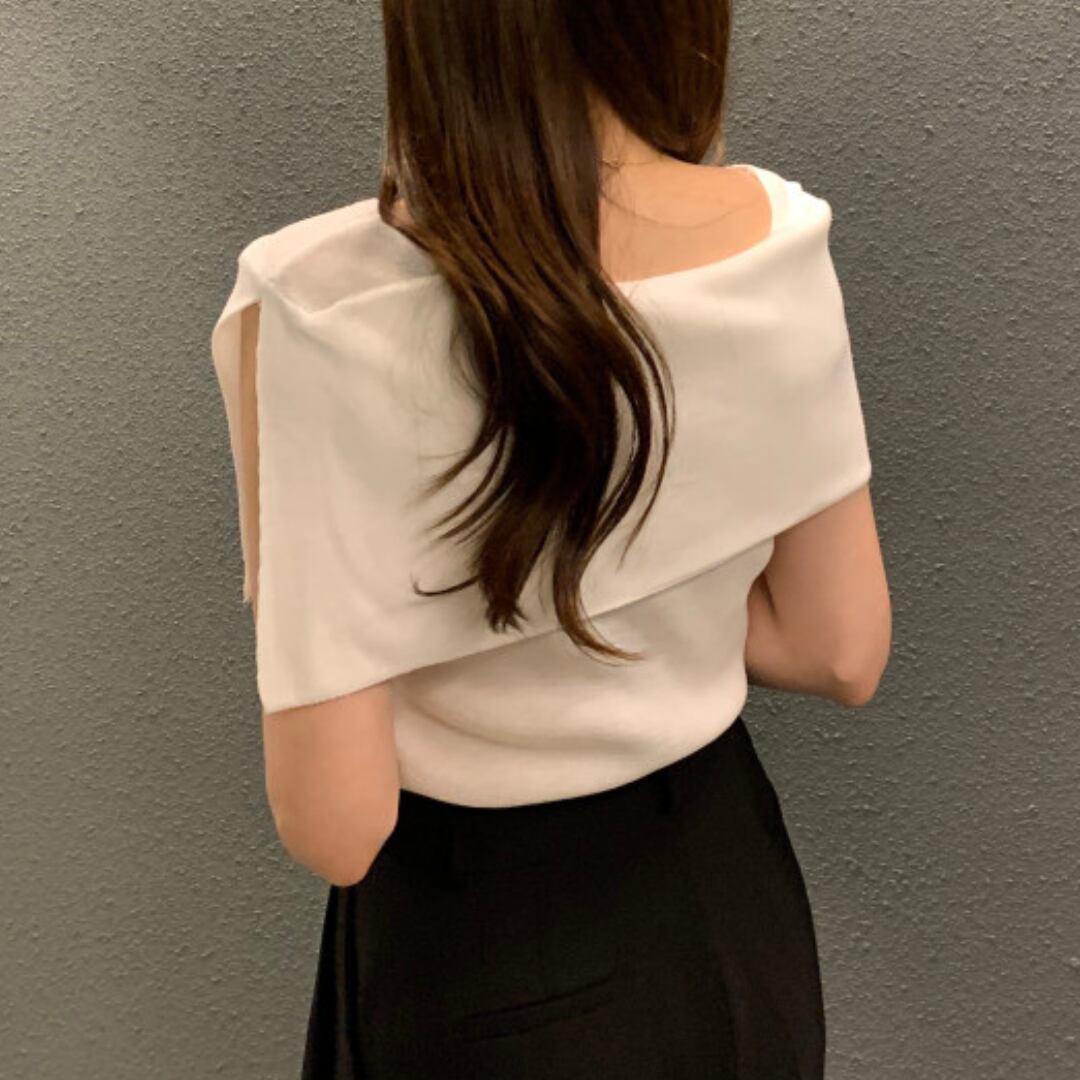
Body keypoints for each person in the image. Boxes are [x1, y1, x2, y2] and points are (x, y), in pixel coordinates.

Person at [208, 1, 891, 1076]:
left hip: (481, 943)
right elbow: (840, 649)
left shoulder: (313, 305)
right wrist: (652, 597)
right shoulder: (777, 232)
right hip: (725, 901)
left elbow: (339, 826)